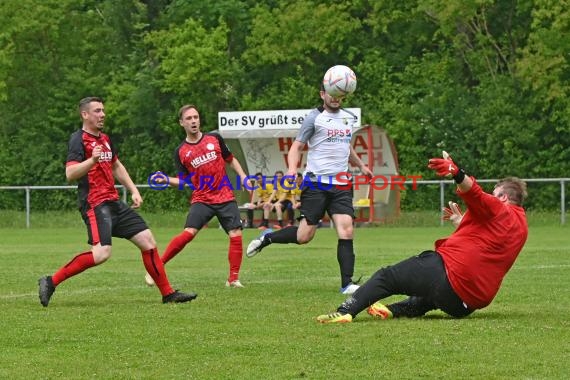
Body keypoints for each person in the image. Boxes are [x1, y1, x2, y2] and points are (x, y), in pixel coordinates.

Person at [316, 152, 528, 323]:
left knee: (387, 276)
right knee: (427, 299)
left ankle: (346, 310)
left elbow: (475, 193)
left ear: (503, 197)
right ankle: (392, 311)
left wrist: (456, 172)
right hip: (464, 305)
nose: (493, 196)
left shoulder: (499, 208)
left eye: (495, 192)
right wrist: (462, 222)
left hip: (449, 278)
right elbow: (488, 241)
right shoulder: (521, 227)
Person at [38, 97, 197, 307]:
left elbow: (116, 166)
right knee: (102, 253)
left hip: (113, 202)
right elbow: (70, 173)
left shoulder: (104, 139)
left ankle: (168, 293)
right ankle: (51, 281)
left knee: (148, 241)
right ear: (85, 115)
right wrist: (92, 160)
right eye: (97, 111)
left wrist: (133, 190)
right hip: (95, 204)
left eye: (103, 110)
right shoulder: (78, 139)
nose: (102, 114)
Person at [246, 82, 373, 295]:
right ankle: (268, 236)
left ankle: (347, 284)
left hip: (341, 184)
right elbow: (296, 146)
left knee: (346, 230)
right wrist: (291, 169)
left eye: (338, 94)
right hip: (315, 184)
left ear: (343, 95)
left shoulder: (347, 117)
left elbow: (345, 145)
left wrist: (361, 165)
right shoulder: (314, 118)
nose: (334, 97)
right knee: (304, 236)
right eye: (330, 93)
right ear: (323, 94)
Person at [144, 104, 250, 288]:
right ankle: (156, 269)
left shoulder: (214, 138)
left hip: (224, 195)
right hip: (202, 198)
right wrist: (167, 180)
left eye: (195, 117)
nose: (193, 121)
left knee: (236, 234)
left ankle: (233, 279)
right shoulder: (181, 152)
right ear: (181, 123)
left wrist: (244, 177)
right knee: (188, 233)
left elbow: (231, 159)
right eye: (189, 119)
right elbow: (185, 181)